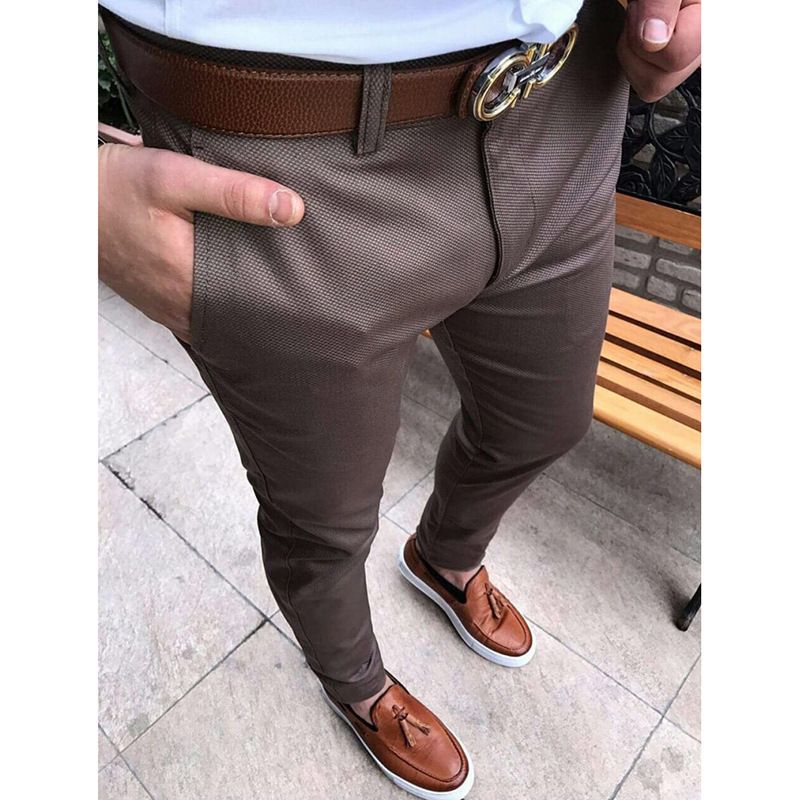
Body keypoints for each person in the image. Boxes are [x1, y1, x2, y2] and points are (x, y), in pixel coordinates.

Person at [98, 1, 700, 796]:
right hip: (284, 158)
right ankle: (354, 681)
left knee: (544, 420)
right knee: (323, 522)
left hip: (563, 100)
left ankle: (445, 558)